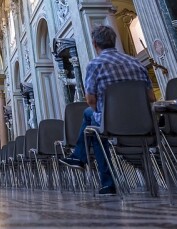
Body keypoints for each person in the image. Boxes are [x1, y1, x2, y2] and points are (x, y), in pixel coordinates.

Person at [61, 25, 155, 195]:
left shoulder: (95, 65)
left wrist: (105, 113)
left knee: (92, 121)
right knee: (96, 125)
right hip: (144, 122)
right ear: (114, 41)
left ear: (95, 43)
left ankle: (101, 177)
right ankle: (79, 157)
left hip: (112, 123)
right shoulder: (137, 63)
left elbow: (90, 100)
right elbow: (151, 98)